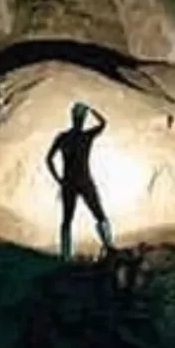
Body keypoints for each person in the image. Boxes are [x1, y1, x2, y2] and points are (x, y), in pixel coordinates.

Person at [45, 99, 114, 262]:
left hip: (68, 183)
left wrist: (58, 179)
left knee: (67, 220)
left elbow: (48, 159)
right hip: (85, 181)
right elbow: (104, 123)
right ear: (83, 119)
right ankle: (108, 246)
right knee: (99, 214)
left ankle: (66, 255)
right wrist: (92, 110)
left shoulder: (62, 137)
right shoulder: (86, 136)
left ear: (72, 118)